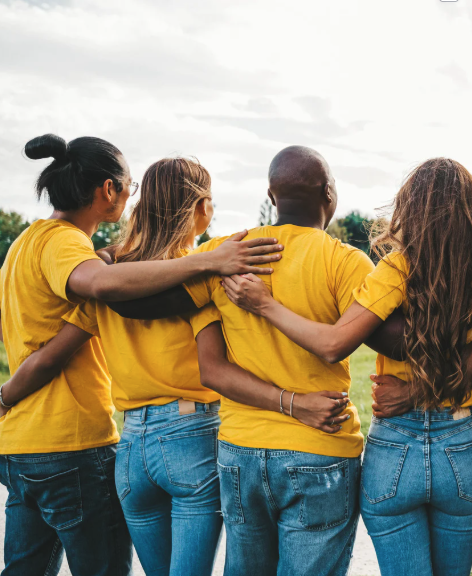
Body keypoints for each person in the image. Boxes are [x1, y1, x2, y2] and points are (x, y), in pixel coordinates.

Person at [107, 150, 472, 576]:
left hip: (241, 449)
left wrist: (109, 269)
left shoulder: (227, 253)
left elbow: (143, 305)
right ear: (329, 194)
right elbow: (426, 345)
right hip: (322, 449)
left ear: (271, 194)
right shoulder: (346, 261)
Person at [220, 157, 472, 576]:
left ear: (409, 211)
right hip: (459, 445)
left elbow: (335, 343)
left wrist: (265, 304)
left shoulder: (397, 268)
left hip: (395, 445)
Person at [0, 134, 282, 576]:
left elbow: (62, 335)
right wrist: (207, 261)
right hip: (109, 437)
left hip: (92, 444)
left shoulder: (29, 247)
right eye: (125, 187)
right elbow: (99, 291)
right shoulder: (74, 253)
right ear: (108, 190)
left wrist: (5, 396)